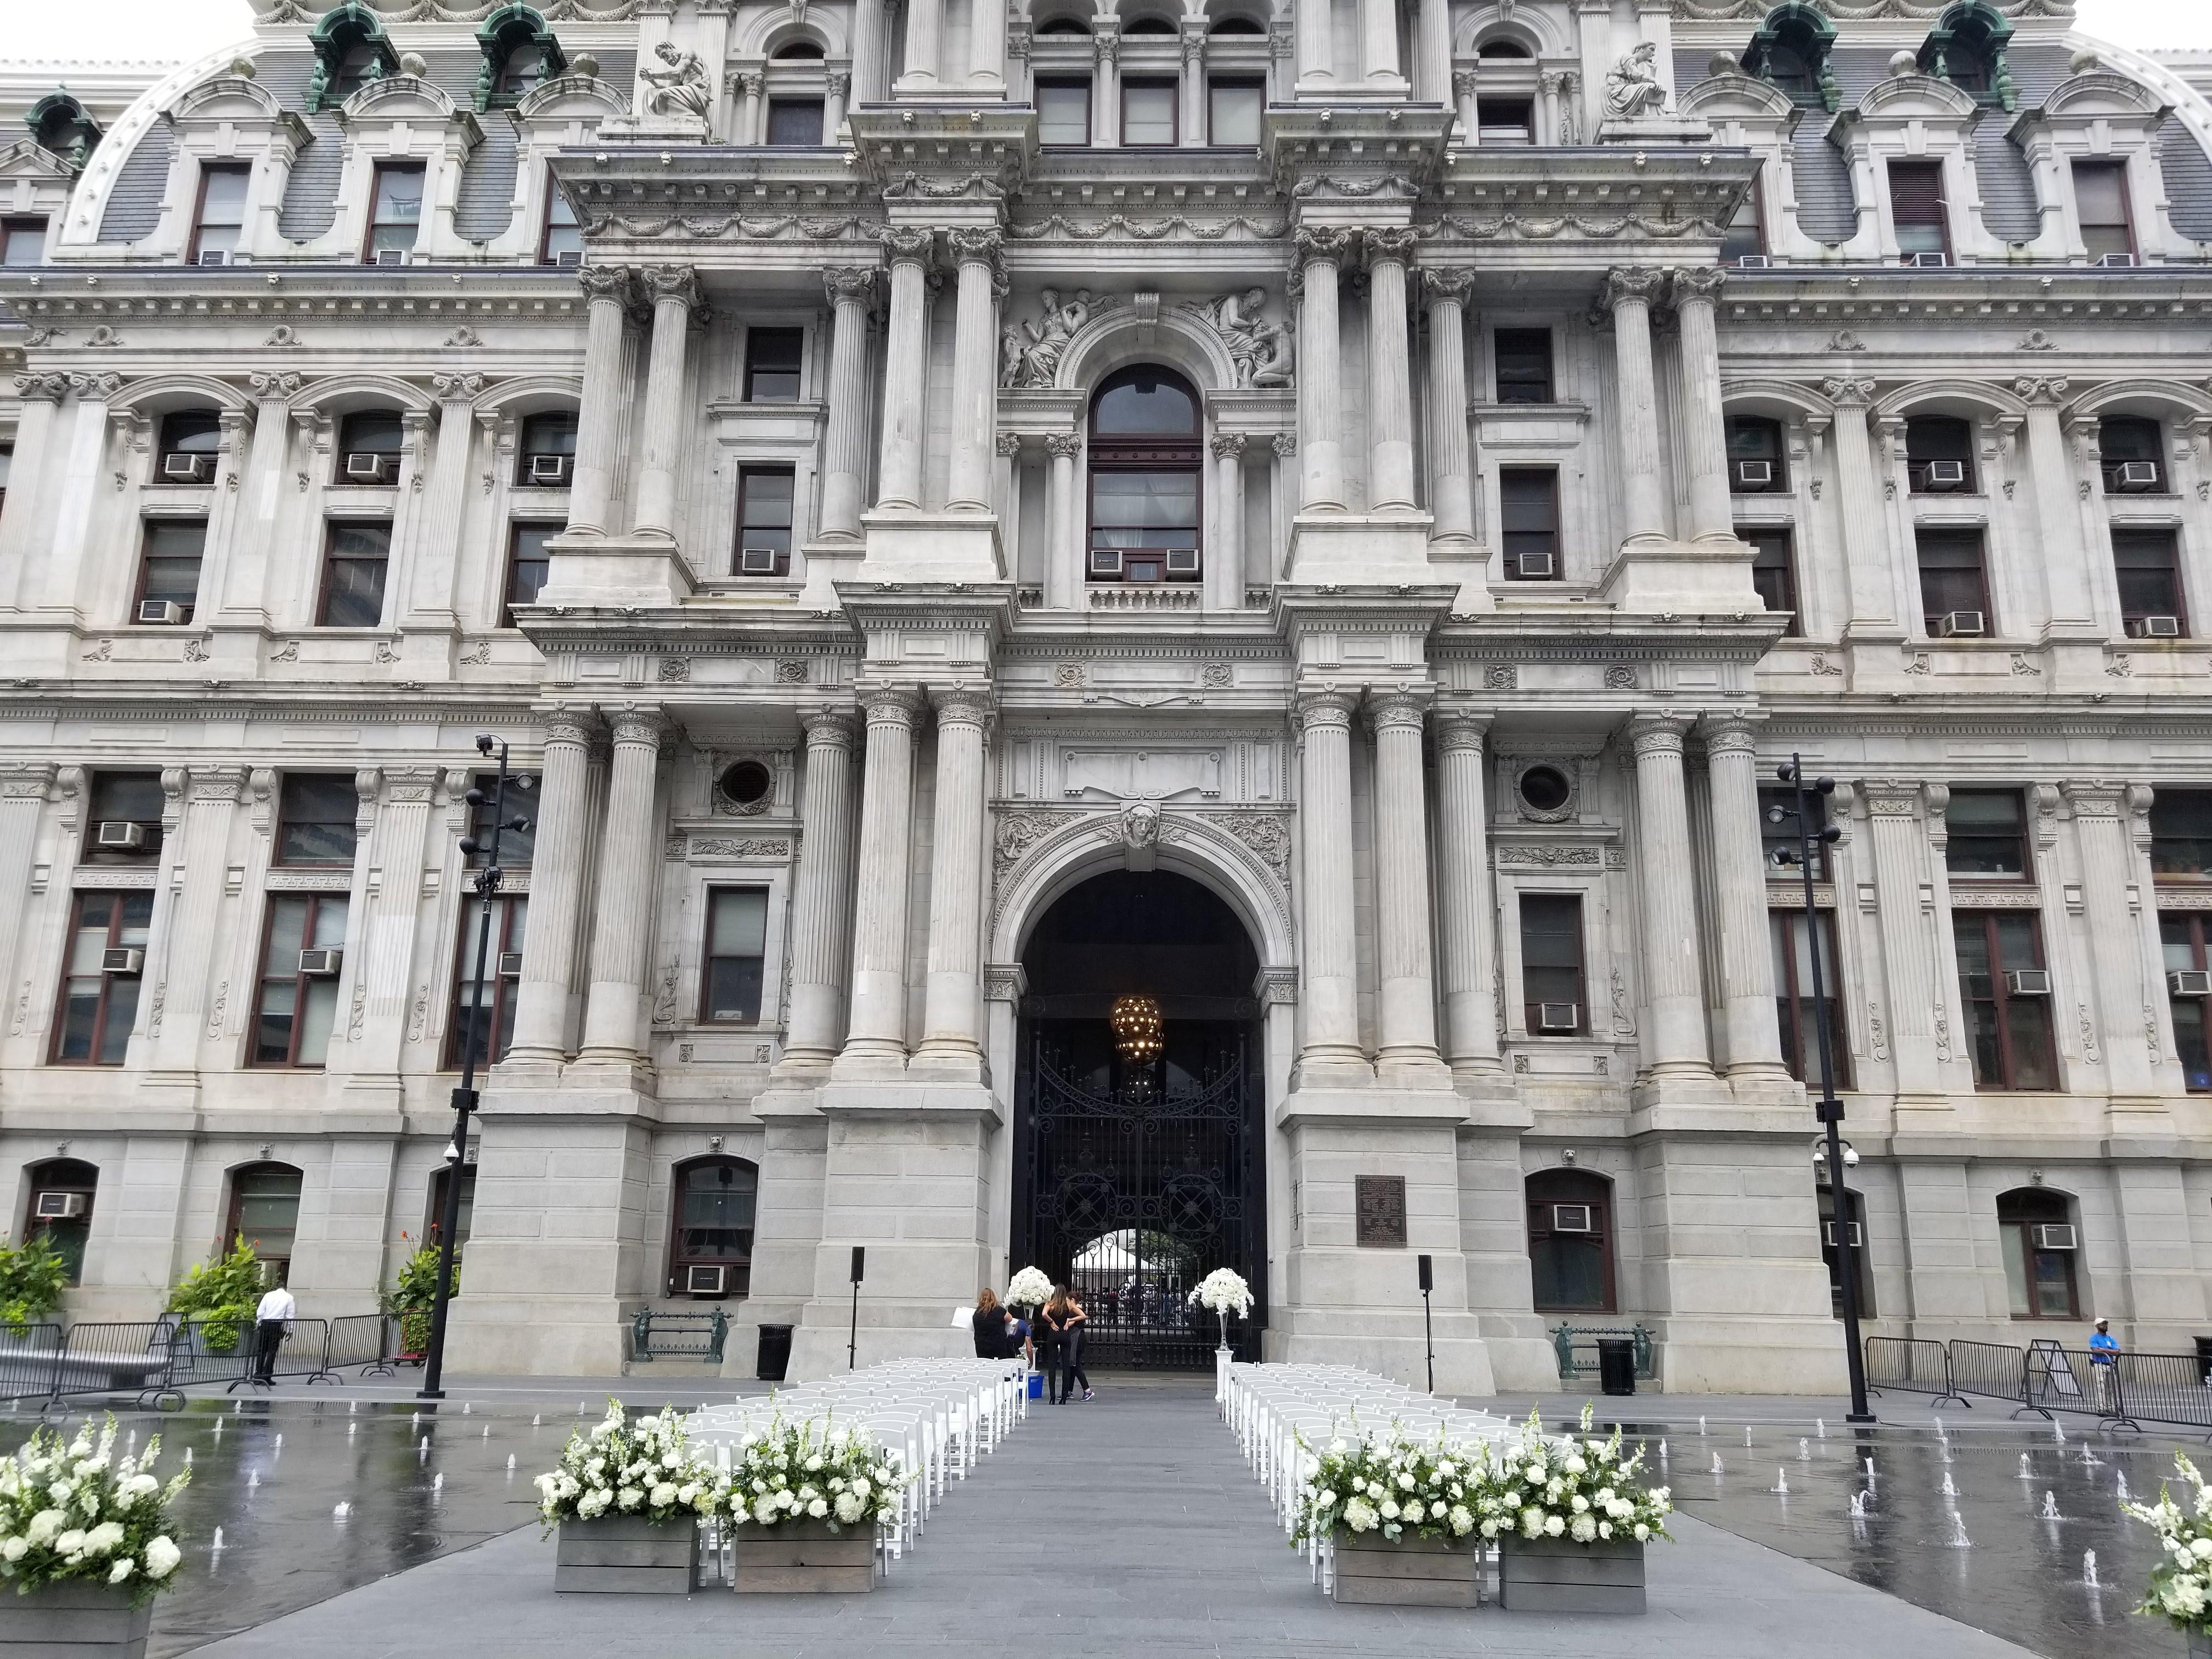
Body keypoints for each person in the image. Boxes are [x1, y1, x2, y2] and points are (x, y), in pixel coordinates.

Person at [252, 1278, 296, 1385]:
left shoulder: (268, 1295)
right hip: (276, 1325)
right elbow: (290, 1315)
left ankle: (258, 1375)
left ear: (276, 1287)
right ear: (285, 1288)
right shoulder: (289, 1297)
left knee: (261, 1350)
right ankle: (267, 1376)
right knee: (272, 1351)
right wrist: (290, 1330)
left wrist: (259, 1323)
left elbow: (260, 1312)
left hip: (265, 1323)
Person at [1058, 1288, 1094, 1404]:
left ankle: (1087, 1390)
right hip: (1078, 1338)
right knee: (1072, 1364)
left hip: (1076, 1339)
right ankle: (1069, 1391)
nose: (1066, 1303)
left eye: (1067, 1301)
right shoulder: (1077, 1309)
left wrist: (1065, 1322)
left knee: (1075, 1364)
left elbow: (1071, 1323)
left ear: (1072, 1300)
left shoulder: (1074, 1310)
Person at [1036, 1289, 1068, 1403]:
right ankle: (1064, 1396)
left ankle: (1052, 1396)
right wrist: (1068, 1321)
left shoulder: (1050, 1304)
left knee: (1052, 1366)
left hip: (1053, 1333)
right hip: (1064, 1333)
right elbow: (1082, 1315)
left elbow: (1044, 1314)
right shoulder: (1067, 1304)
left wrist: (1051, 1321)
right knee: (1066, 1366)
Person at [970, 1288, 1015, 1359]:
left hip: (982, 1348)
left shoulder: (977, 1313)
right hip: (998, 1347)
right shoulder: (998, 1310)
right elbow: (1010, 1318)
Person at [2089, 1316, 2119, 1410]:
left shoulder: (2110, 1338)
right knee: (2101, 1386)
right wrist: (2109, 1350)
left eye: (2106, 1324)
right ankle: (2101, 1408)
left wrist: (2103, 1349)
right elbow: (2096, 1350)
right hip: (2099, 1364)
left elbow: (2117, 1351)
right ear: (2097, 1326)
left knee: (2111, 1388)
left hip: (2110, 1364)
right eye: (2102, 1324)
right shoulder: (2094, 1338)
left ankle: (2111, 1407)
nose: (2105, 1325)